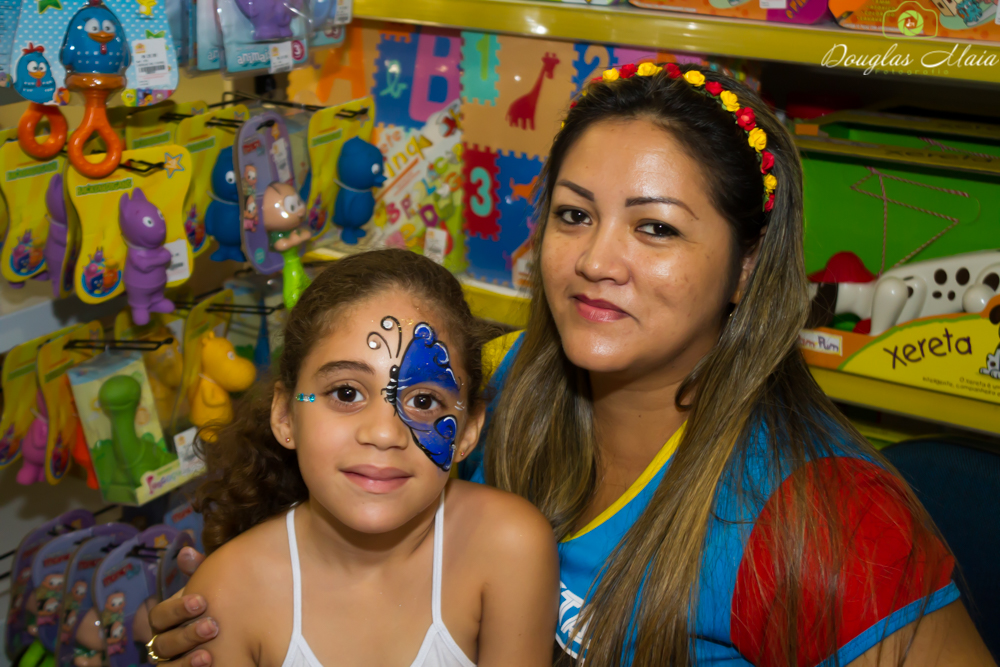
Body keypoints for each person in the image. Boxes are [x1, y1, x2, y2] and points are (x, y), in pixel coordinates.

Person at [146, 64, 995, 667]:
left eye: (655, 227)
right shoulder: (493, 383)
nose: (597, 260)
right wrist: (220, 612)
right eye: (575, 214)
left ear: (746, 265)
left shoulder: (824, 519)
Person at [163, 250, 558, 667]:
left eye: (424, 400)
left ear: (469, 431)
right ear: (285, 414)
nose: (384, 433)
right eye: (346, 393)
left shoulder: (509, 548)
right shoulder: (230, 594)